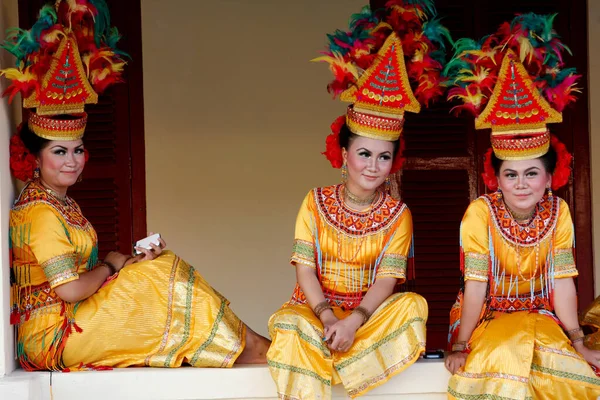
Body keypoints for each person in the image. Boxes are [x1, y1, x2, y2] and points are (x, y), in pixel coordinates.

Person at [5, 0, 269, 371]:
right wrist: (113, 267)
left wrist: (128, 262)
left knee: (158, 266)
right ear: (35, 158)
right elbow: (69, 290)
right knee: (160, 278)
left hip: (75, 316)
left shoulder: (60, 202)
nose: (72, 160)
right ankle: (255, 348)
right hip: (55, 334)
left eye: (78, 149)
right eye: (60, 152)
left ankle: (249, 344)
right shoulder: (40, 212)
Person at [266, 2, 451, 398]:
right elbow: (305, 272)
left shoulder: (398, 214)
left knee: (413, 308)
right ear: (344, 154)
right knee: (289, 326)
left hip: (367, 320)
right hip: (316, 312)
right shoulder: (314, 202)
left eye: (384, 157)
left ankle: (332, 358)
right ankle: (326, 346)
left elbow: (388, 279)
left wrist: (353, 323)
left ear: (393, 162)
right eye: (364, 154)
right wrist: (331, 317)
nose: (373, 166)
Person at [443, 13, 600, 399]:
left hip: (542, 317)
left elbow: (562, 283)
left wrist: (578, 338)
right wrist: (461, 344)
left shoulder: (558, 212)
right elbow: (475, 286)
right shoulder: (480, 213)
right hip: (486, 319)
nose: (521, 184)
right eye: (511, 175)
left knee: (562, 365)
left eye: (532, 174)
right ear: (495, 177)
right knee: (505, 352)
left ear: (551, 176)